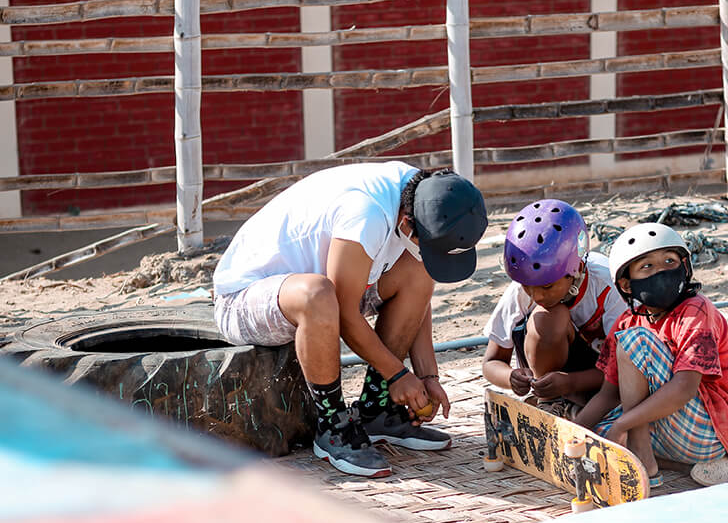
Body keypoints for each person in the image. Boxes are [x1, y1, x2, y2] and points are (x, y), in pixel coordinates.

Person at [213, 162, 488, 478]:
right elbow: (345, 315)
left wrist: (428, 377)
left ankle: (377, 410)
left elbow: (418, 301)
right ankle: (332, 424)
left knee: (418, 272)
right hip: (243, 300)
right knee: (318, 295)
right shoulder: (366, 215)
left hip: (327, 293)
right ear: (407, 224)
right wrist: (398, 374)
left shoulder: (424, 194)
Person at [574, 222, 728, 487]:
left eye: (669, 261)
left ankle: (644, 455)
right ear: (627, 285)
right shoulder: (627, 320)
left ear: (684, 268)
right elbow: (608, 394)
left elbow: (684, 388)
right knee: (598, 435)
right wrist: (574, 433)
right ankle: (677, 463)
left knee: (637, 343)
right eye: (647, 267)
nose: (662, 272)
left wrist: (623, 425)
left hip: (708, 430)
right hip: (670, 431)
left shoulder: (696, 311)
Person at [482, 200, 627, 418]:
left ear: (577, 268)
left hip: (604, 380)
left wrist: (571, 382)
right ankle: (551, 403)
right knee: (549, 317)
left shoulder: (607, 285)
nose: (537, 295)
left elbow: (627, 369)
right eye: (527, 287)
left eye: (547, 286)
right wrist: (510, 377)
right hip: (548, 378)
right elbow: (491, 362)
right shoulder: (521, 288)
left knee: (554, 316)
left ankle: (575, 402)